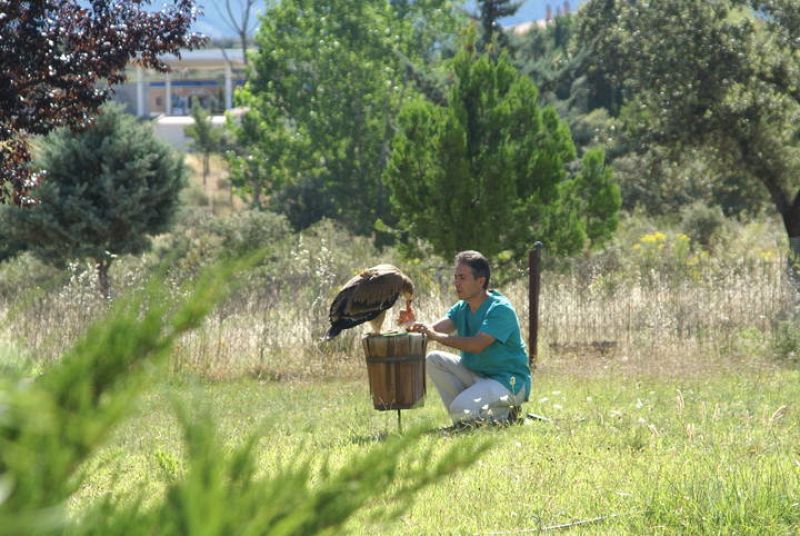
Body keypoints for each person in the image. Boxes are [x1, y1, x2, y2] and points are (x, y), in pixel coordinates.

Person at [407, 250, 531, 426]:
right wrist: (410, 325)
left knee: (460, 408)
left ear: (480, 281)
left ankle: (502, 415)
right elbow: (433, 331)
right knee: (434, 359)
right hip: (479, 376)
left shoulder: (500, 309)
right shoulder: (462, 307)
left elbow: (476, 345)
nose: (456, 283)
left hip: (508, 383)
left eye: (462, 278)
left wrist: (437, 336)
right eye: (455, 277)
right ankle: (470, 419)